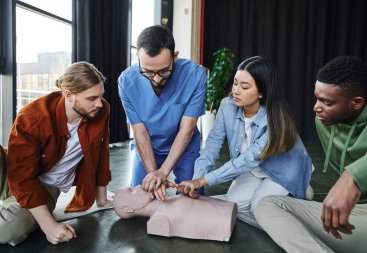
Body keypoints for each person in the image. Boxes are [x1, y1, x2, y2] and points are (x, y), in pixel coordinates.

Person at [255, 56, 367, 253]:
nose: (316, 107)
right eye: (317, 97)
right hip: (359, 216)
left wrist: (353, 177)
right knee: (267, 205)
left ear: (357, 102)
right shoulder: (323, 122)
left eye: (326, 102)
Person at [178, 56, 312, 227]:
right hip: (255, 169)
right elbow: (211, 146)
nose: (236, 91)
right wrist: (196, 181)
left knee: (260, 208)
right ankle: (276, 210)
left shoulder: (275, 119)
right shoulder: (227, 106)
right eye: (235, 83)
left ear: (262, 92)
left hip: (282, 170)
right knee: (234, 205)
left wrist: (204, 180)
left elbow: (248, 159)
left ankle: (298, 190)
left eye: (245, 86)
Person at [0, 62, 113, 246]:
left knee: (10, 230)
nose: (99, 103)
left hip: (44, 186)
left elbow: (102, 151)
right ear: (69, 95)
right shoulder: (32, 117)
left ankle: (14, 209)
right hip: (12, 171)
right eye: (92, 98)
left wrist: (101, 198)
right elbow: (20, 175)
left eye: (101, 96)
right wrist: (49, 226)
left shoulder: (101, 110)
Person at [118, 25, 207, 200]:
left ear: (175, 57)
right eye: (148, 72)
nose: (157, 79)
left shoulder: (195, 75)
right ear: (138, 59)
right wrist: (154, 175)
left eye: (164, 71)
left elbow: (186, 129)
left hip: (185, 145)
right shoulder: (126, 82)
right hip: (149, 146)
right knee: (140, 198)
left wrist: (164, 171)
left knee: (192, 197)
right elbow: (140, 132)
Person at [113, 185, 237, 242]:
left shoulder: (169, 201)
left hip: (227, 210)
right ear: (127, 209)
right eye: (131, 191)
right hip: (224, 221)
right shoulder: (159, 220)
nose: (138, 186)